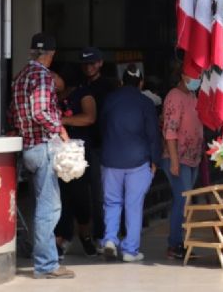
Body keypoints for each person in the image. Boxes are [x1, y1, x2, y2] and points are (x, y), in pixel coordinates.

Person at [8, 33, 74, 279]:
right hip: (43, 147)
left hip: (27, 147)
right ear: (51, 55)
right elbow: (39, 111)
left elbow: (14, 113)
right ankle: (46, 264)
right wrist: (60, 129)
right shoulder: (43, 77)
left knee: (39, 205)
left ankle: (40, 254)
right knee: (50, 207)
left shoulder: (21, 76)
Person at [99, 64, 162, 262]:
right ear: (141, 83)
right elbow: (153, 135)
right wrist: (155, 160)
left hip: (111, 159)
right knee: (133, 206)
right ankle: (130, 250)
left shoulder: (109, 99)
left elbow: (101, 127)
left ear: (121, 82)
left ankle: (110, 239)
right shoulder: (146, 103)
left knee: (111, 202)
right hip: (138, 160)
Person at [54, 67, 99, 257]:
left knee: (80, 197)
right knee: (60, 197)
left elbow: (89, 117)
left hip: (78, 154)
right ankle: (60, 239)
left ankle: (85, 235)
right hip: (58, 153)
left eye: (56, 76)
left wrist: (62, 121)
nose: (52, 79)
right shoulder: (51, 95)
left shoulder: (83, 93)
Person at [161, 66, 204, 260]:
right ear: (182, 75)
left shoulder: (193, 95)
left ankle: (182, 242)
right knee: (182, 200)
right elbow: (170, 131)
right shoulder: (174, 96)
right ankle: (175, 244)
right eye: (194, 75)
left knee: (186, 201)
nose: (197, 78)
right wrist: (174, 161)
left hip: (192, 158)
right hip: (178, 157)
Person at [79, 46, 118, 248]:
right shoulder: (79, 85)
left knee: (99, 193)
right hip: (79, 146)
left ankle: (101, 235)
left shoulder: (110, 87)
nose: (89, 67)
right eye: (85, 64)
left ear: (100, 63)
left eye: (92, 63)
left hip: (101, 145)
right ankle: (87, 233)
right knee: (81, 193)